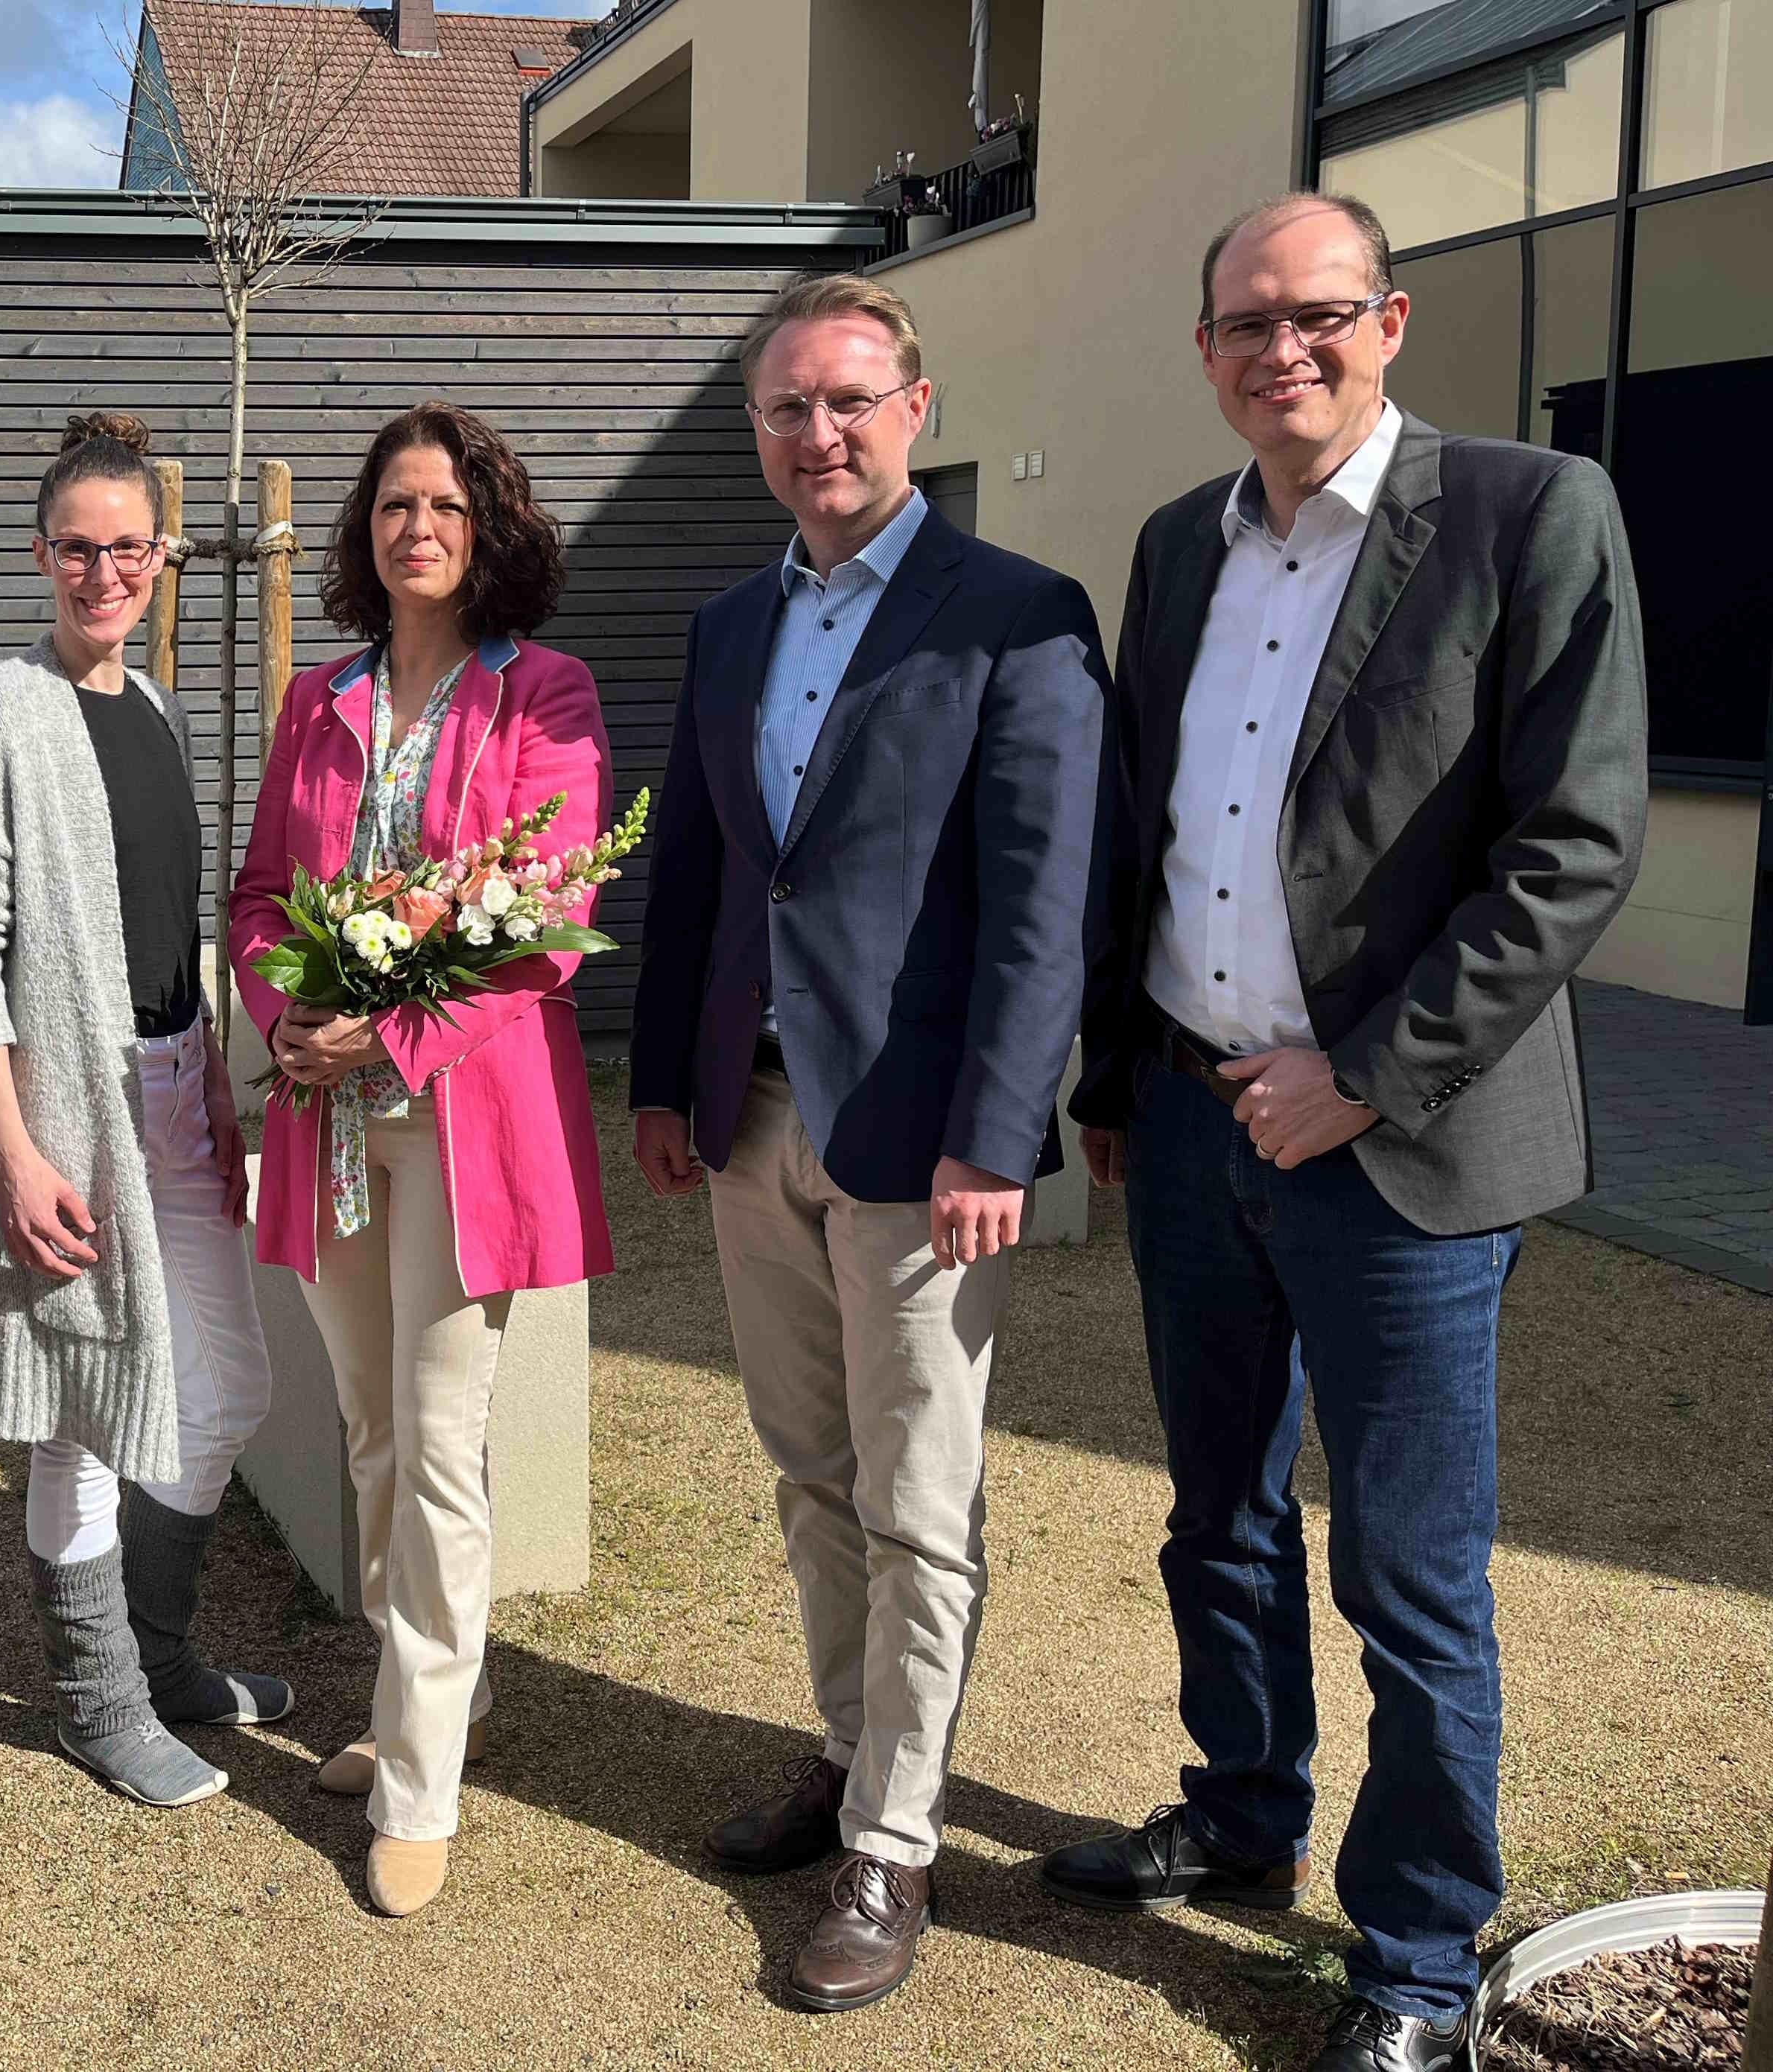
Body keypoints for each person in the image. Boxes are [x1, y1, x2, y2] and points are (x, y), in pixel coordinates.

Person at [1045, 194, 1647, 2072]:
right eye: (1242, 322)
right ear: (1206, 347)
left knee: (1405, 1568)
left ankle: (1412, 1954)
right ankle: (1241, 1809)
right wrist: (1118, 1083)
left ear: (1389, 320)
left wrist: (1367, 1070)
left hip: (1400, 1147)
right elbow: (1149, 829)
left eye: (1315, 315)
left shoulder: (1532, 513)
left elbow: (1574, 846)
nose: (1277, 350)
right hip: (1198, 1121)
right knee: (1215, 1514)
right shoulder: (1175, 544)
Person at [629, 272, 1107, 2014]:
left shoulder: (1018, 612)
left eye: (846, 401)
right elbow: (697, 868)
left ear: (916, 405)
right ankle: (848, 1752)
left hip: (920, 1146)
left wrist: (1000, 1134)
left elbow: (1044, 904)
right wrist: (664, 1088)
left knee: (919, 1500)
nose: (815, 435)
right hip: (753, 1122)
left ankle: (897, 1844)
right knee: (809, 1468)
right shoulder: (728, 628)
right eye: (783, 409)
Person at [226, 398, 614, 1921]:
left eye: (445, 504)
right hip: (326, 1122)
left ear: (489, 527)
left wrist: (382, 1040)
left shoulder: (548, 694)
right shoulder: (321, 703)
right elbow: (263, 890)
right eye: (394, 503)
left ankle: (422, 1777)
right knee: (372, 1429)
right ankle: (422, 1692)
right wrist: (290, 1007)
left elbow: (541, 928)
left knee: (445, 1442)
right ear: (364, 534)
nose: (417, 527)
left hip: (465, 1118)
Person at [0, 410, 292, 1811]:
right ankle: (93, 1696)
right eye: (78, 548)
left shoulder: (157, 709)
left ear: (162, 556)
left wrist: (217, 1085)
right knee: (74, 1412)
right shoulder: (3, 708)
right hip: (67, 1107)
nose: (103, 573)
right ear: (42, 553)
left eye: (128, 548)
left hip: (177, 1089)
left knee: (230, 1378)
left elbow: (164, 920)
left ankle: (161, 1646)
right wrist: (10, 1141)